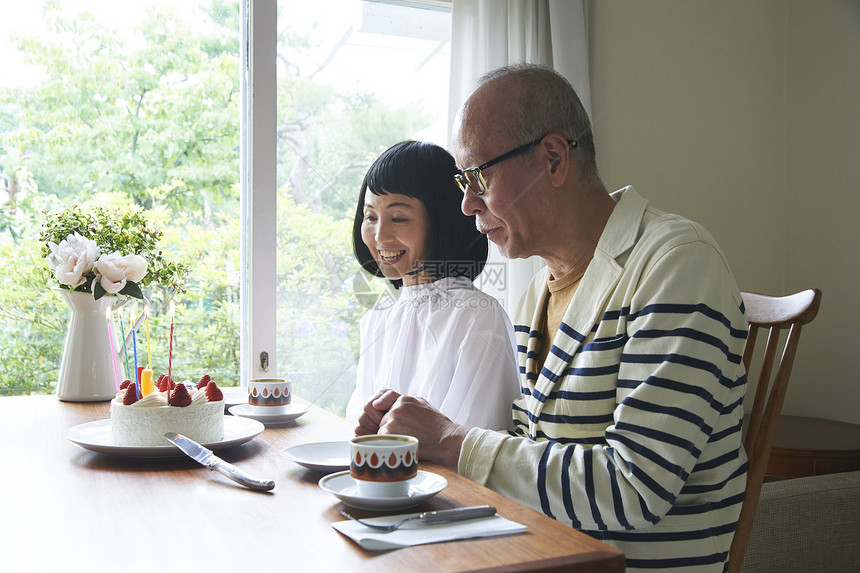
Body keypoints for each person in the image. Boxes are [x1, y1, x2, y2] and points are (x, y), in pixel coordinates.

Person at [356, 65, 749, 572]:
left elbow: (636, 489)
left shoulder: (675, 263)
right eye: (462, 182)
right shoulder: (535, 294)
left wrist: (451, 439)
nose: (466, 203)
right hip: (543, 553)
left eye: (479, 177)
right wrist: (413, 439)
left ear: (554, 159)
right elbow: (531, 454)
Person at [346, 140, 521, 430]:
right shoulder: (377, 317)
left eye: (398, 217)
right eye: (370, 217)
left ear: (442, 220)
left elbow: (480, 447)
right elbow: (359, 424)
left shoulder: (476, 317)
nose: (379, 237)